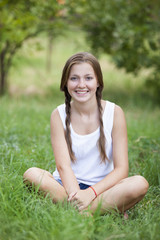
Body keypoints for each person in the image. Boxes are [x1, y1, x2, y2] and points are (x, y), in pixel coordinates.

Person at [23, 52, 149, 215]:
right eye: (74, 78)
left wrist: (90, 193)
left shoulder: (115, 112)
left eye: (88, 78)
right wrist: (77, 194)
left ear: (98, 82)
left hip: (103, 188)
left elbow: (121, 169)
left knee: (139, 183)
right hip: (66, 186)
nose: (81, 84)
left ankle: (80, 209)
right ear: (66, 83)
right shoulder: (58, 115)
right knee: (31, 174)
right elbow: (63, 166)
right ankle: (97, 209)